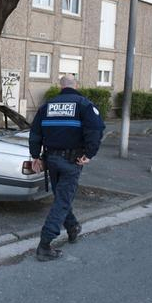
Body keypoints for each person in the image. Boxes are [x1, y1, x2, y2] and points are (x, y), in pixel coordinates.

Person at [29, 75, 105, 261]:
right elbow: (96, 130)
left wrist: (35, 156)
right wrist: (89, 153)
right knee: (63, 200)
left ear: (60, 86)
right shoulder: (84, 105)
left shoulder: (47, 106)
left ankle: (72, 227)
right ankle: (45, 244)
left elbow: (35, 133)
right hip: (72, 161)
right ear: (76, 85)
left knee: (62, 197)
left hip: (51, 161)